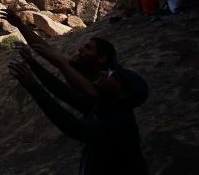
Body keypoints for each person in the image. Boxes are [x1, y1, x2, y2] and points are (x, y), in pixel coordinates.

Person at [9, 54, 149, 175]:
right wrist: (33, 63)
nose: (103, 74)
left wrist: (33, 86)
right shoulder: (106, 104)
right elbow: (63, 92)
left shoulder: (118, 124)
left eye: (113, 76)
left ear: (123, 93)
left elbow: (71, 126)